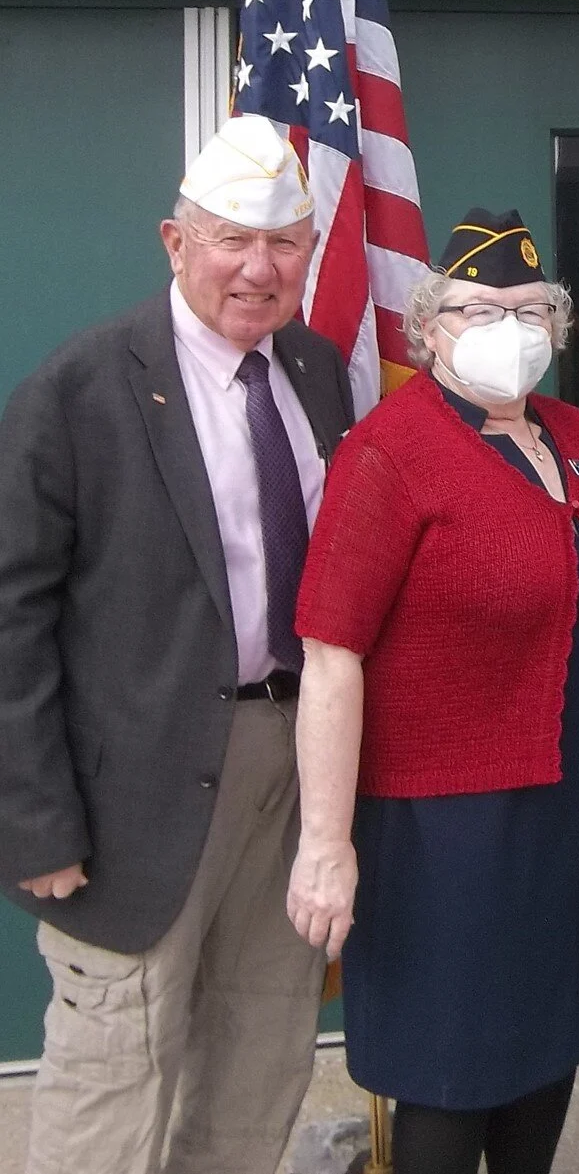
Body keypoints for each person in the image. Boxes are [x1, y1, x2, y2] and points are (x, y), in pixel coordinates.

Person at [0, 115, 353, 1174]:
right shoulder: (80, 389)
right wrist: (34, 821)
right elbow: (11, 618)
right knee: (114, 1080)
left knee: (261, 1054)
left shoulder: (319, 369)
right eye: (230, 238)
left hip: (293, 771)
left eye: (284, 241)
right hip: (131, 798)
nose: (259, 267)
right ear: (173, 242)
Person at [284, 208, 579, 1174]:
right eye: (480, 309)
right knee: (451, 1076)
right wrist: (325, 843)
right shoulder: (389, 450)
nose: (510, 328)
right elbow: (331, 653)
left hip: (572, 808)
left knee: (545, 1051)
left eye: (532, 309)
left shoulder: (573, 432)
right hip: (445, 828)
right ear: (428, 327)